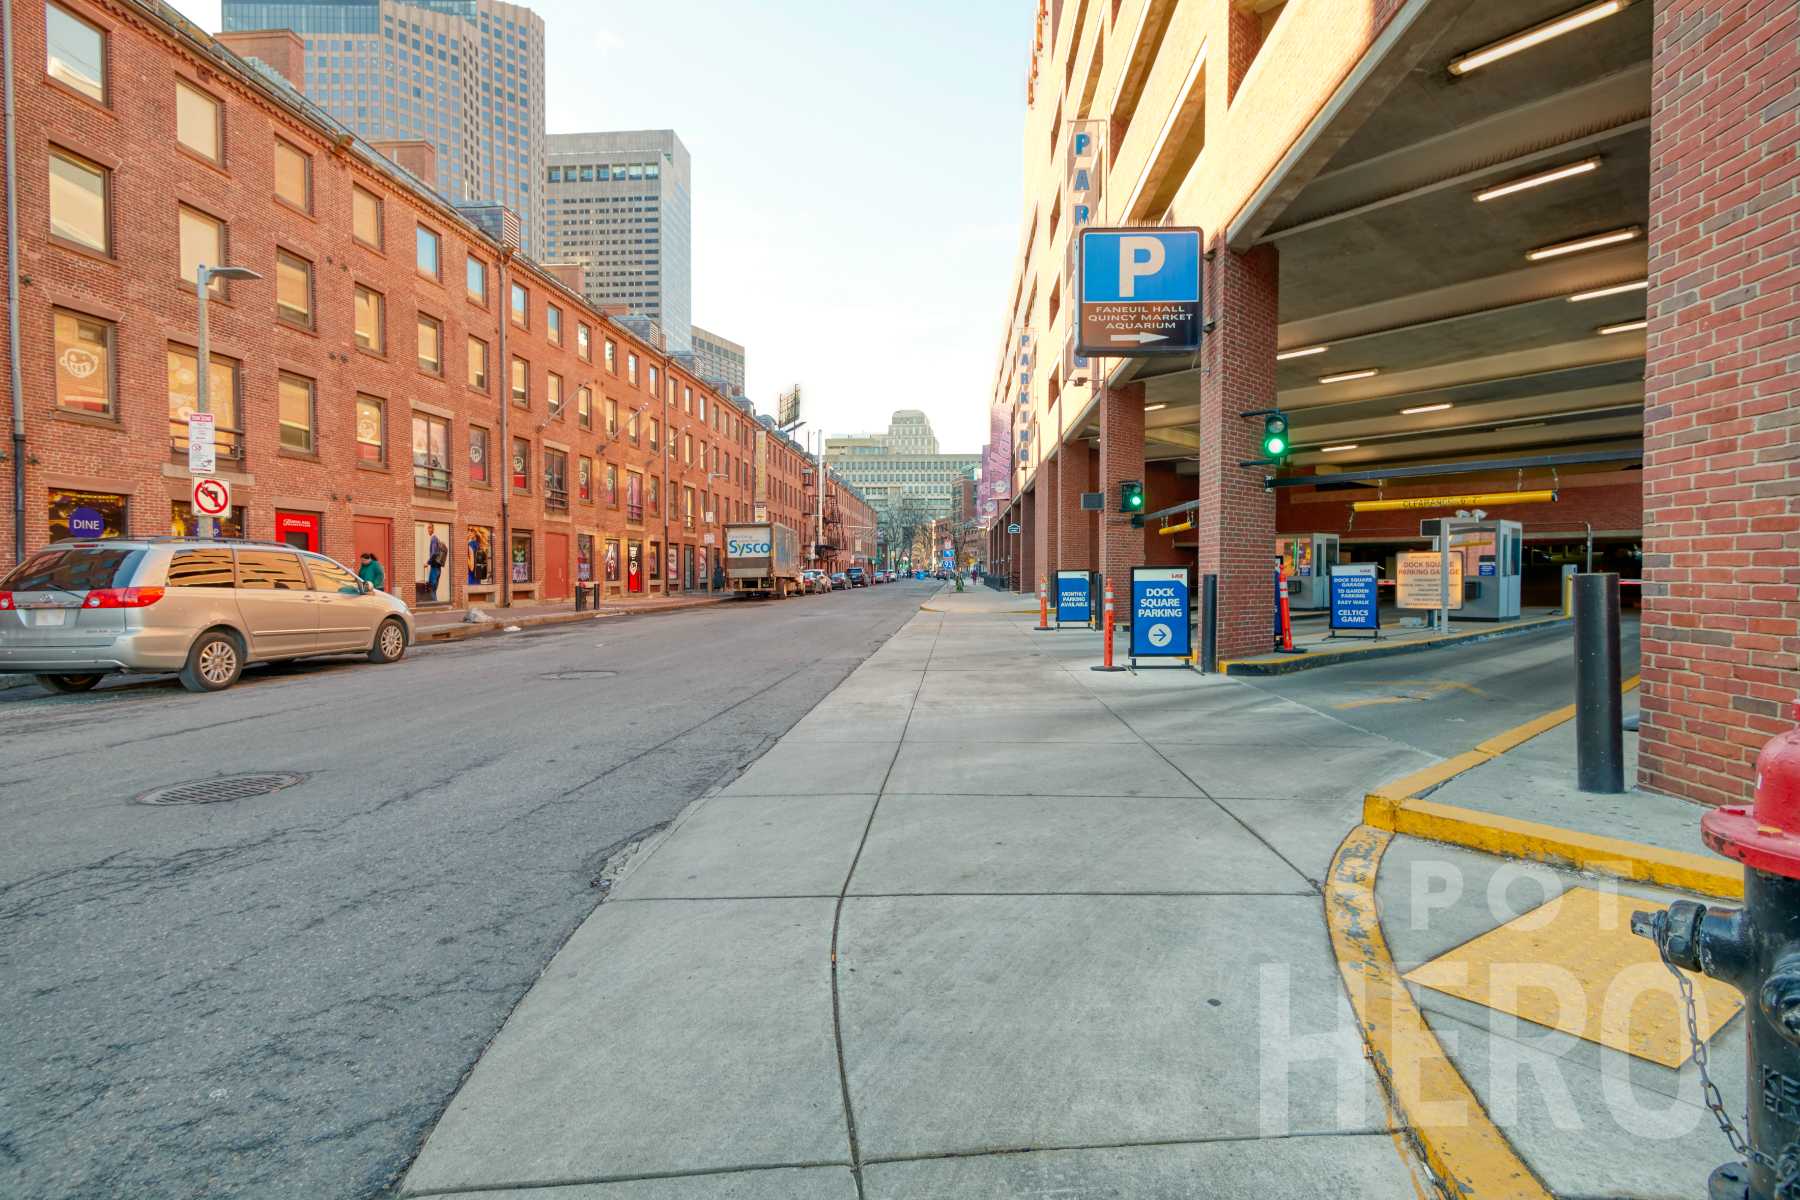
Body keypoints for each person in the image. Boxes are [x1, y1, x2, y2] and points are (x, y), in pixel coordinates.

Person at [426, 529, 447, 599]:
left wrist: (427, 562)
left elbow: (434, 553)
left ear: (432, 529)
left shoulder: (434, 539)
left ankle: (434, 604)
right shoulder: (437, 539)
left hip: (434, 568)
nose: (428, 530)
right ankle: (435, 604)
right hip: (438, 568)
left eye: (429, 528)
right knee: (434, 589)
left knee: (431, 588)